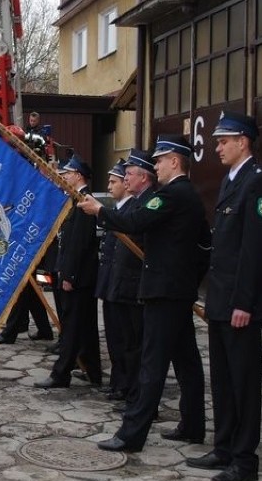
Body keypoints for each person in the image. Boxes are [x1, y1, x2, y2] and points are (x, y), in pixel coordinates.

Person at [79, 135, 211, 453]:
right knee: (187, 361)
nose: (156, 166)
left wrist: (100, 210)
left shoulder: (173, 194)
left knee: (152, 364)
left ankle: (131, 434)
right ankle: (193, 425)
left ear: (175, 162)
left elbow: (135, 220)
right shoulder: (186, 194)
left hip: (164, 292)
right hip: (175, 290)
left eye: (160, 160)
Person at [186, 112, 262, 481]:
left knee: (243, 382)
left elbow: (254, 251)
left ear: (243, 141)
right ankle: (223, 447)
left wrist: (243, 302)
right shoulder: (231, 181)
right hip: (222, 299)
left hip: (241, 303)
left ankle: (244, 459)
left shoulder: (258, 184)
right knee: (222, 380)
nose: (217, 147)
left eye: (224, 141)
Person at [34, 155, 101, 388]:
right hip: (75, 274)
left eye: (68, 174)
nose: (64, 177)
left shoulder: (84, 202)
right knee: (85, 326)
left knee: (72, 327)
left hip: (79, 277)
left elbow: (79, 244)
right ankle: (93, 371)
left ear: (78, 176)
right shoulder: (74, 200)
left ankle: (61, 373)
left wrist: (69, 275)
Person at [106, 149, 158, 408]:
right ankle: (129, 391)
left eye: (129, 174)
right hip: (123, 285)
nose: (126, 179)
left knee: (136, 346)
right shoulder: (137, 202)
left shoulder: (148, 203)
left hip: (136, 285)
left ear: (144, 177)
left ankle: (137, 396)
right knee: (126, 343)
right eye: (124, 175)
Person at [95, 159, 129, 398]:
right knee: (114, 339)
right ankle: (118, 381)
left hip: (123, 285)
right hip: (110, 283)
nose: (110, 185)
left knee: (126, 341)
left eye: (114, 181)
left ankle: (124, 385)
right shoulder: (118, 210)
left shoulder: (130, 210)